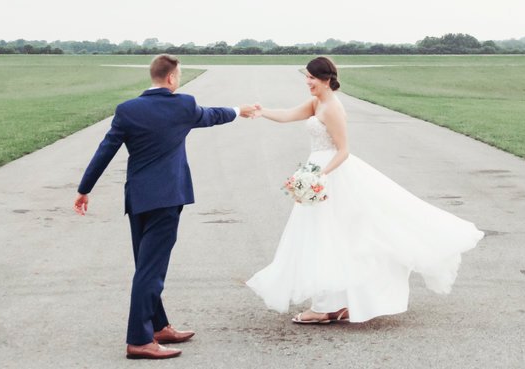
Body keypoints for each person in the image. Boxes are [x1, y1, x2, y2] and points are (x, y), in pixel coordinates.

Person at [244, 56, 484, 324]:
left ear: (325, 80)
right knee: (324, 236)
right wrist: (262, 111)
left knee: (329, 235)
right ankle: (334, 303)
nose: (307, 82)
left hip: (329, 175)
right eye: (306, 77)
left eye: (311, 78)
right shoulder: (317, 103)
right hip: (316, 172)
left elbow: (344, 151)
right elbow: (288, 114)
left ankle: (326, 307)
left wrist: (318, 176)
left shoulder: (332, 108)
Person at [75, 54, 261, 360]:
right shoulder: (183, 105)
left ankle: (158, 325)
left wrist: (84, 189)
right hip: (166, 200)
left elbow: (105, 150)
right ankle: (138, 340)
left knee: (145, 265)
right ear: (172, 78)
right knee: (151, 270)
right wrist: (240, 110)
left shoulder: (127, 110)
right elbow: (211, 115)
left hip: (137, 199)